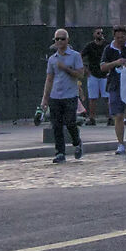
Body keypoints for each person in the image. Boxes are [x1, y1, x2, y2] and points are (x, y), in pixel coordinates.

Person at [43, 28, 86, 162]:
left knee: (70, 122)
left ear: (67, 40)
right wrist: (45, 98)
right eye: (57, 39)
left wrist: (66, 69)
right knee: (56, 125)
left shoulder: (75, 56)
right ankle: (60, 152)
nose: (60, 41)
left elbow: (80, 74)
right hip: (55, 96)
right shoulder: (52, 59)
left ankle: (77, 142)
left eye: (62, 39)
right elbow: (49, 79)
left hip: (70, 95)